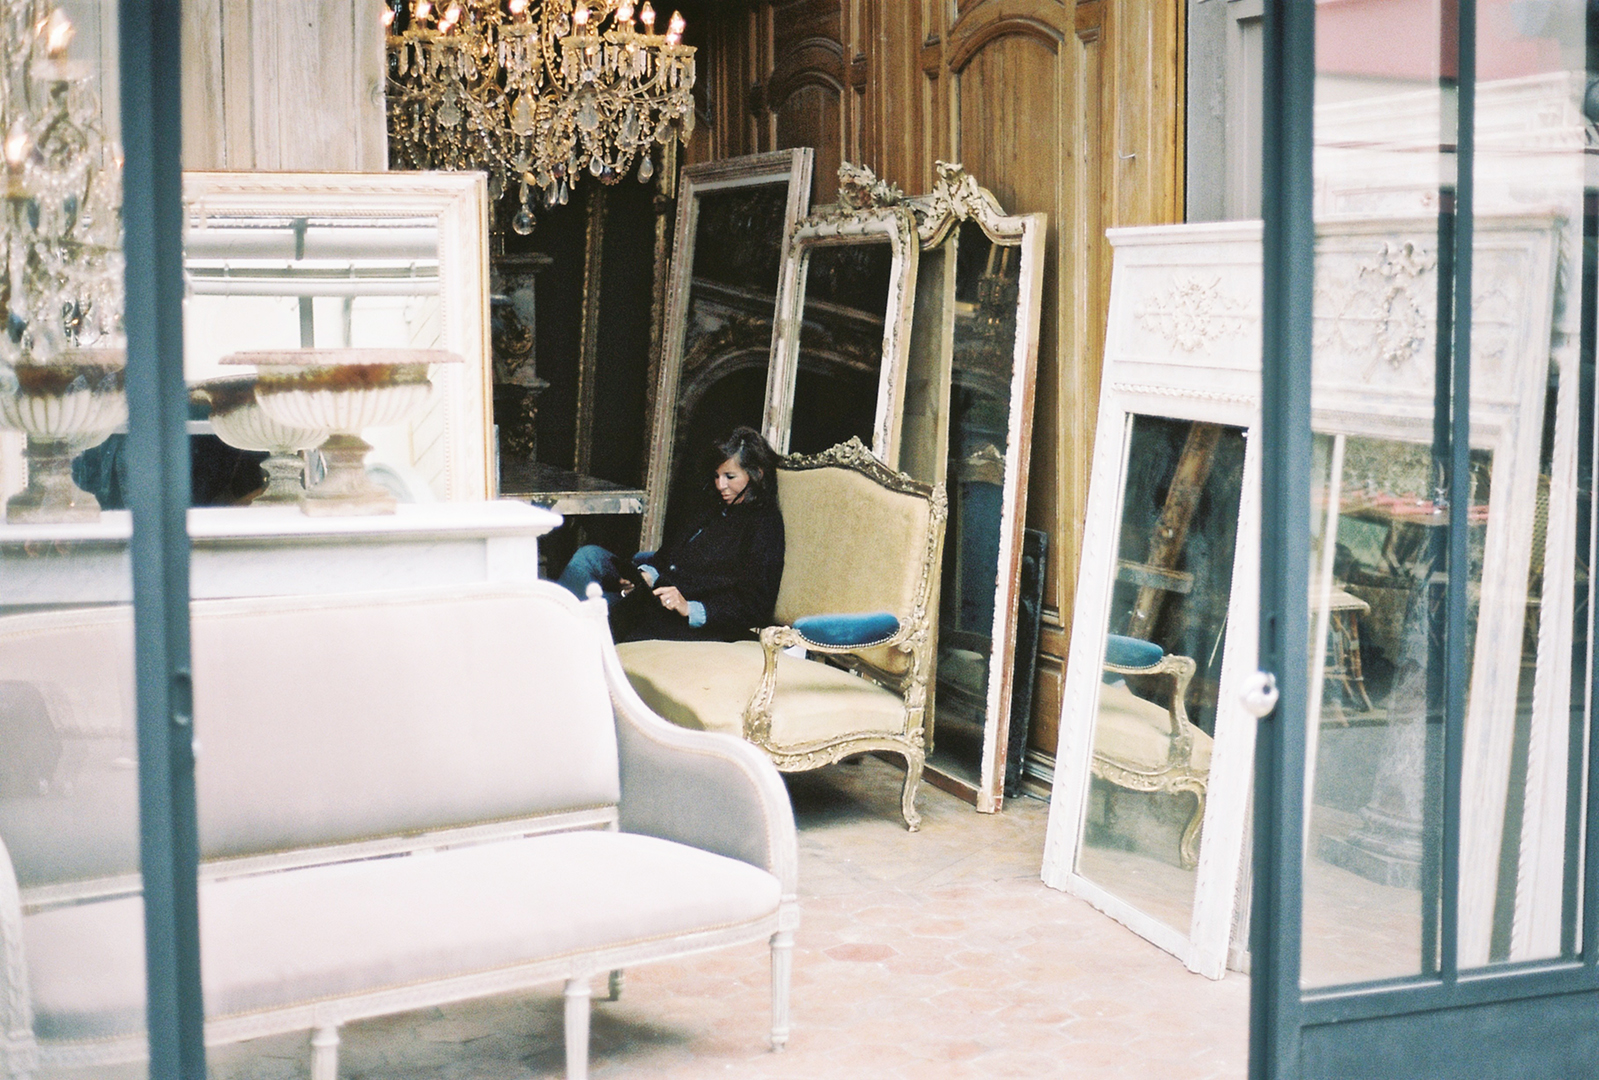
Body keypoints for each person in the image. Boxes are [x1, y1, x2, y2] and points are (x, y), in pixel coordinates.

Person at [556, 427, 785, 642]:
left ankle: (552, 636)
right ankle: (554, 633)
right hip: (656, 595)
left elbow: (756, 605)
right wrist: (648, 575)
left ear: (756, 474)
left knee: (583, 615)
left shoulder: (764, 524)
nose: (720, 485)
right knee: (589, 557)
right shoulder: (712, 505)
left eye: (729, 476)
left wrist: (690, 608)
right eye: (717, 476)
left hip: (691, 621)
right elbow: (668, 556)